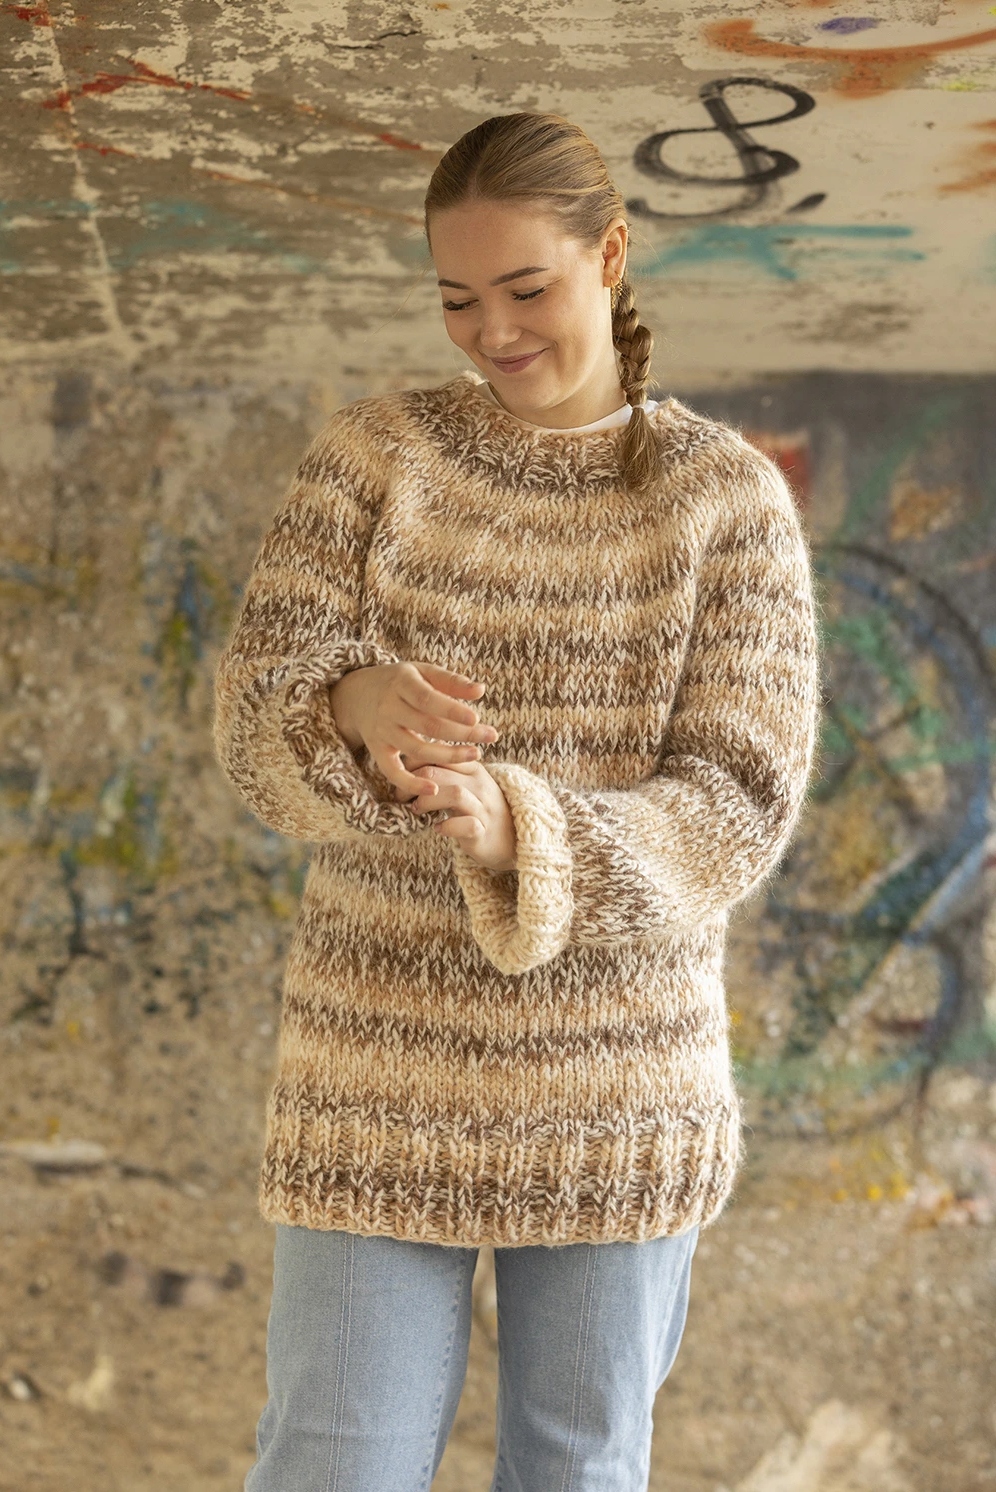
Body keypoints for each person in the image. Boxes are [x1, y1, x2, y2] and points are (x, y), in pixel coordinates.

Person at [213, 111, 820, 1492]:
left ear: (610, 256)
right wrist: (351, 704)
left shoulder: (723, 501)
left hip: (619, 1081)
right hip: (374, 1073)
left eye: (525, 288)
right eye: (456, 298)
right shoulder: (373, 459)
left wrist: (523, 832)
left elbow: (737, 807)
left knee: (577, 1469)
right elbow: (253, 729)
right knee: (332, 1465)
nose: (491, 331)